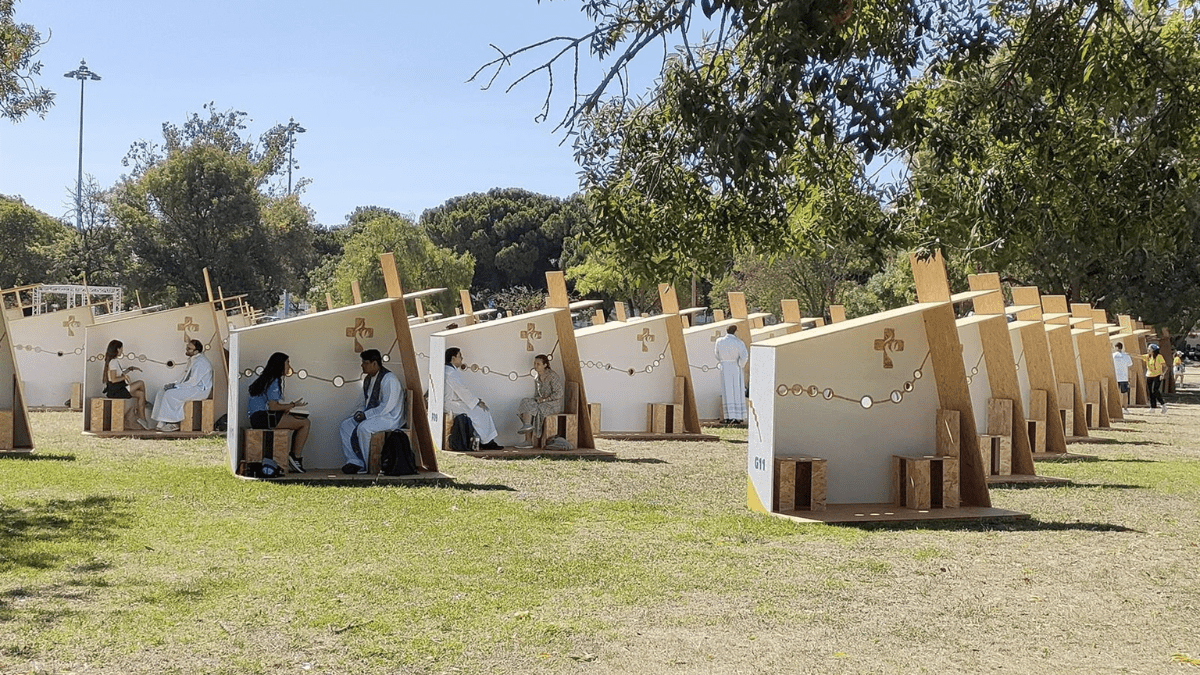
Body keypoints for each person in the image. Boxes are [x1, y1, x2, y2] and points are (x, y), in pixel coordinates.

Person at [339, 349, 406, 474]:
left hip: (390, 418)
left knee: (364, 428)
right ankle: (354, 462)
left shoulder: (389, 380)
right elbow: (363, 402)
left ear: (374, 363)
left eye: (365, 362)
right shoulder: (368, 379)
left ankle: (367, 465)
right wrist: (359, 412)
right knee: (346, 425)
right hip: (374, 416)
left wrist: (366, 415)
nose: (362, 365)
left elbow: (387, 407)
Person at [247, 352, 310, 473]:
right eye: (287, 362)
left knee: (296, 420)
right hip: (265, 417)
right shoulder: (274, 380)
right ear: (280, 364)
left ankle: (294, 456)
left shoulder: (265, 378)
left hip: (257, 418)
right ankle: (296, 457)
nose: (289, 365)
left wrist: (288, 407)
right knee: (305, 423)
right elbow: (273, 406)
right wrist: (292, 405)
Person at [443, 347, 502, 449]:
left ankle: (484, 440)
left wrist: (475, 400)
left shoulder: (449, 370)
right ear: (453, 358)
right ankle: (486, 442)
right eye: (460, 356)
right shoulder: (450, 373)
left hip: (454, 401)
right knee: (480, 411)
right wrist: (477, 402)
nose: (462, 358)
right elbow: (462, 390)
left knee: (479, 410)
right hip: (450, 404)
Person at [150, 339, 214, 431]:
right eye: (187, 347)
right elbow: (184, 377)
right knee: (162, 391)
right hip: (191, 387)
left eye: (189, 348)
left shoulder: (201, 363)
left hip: (199, 390)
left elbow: (193, 382)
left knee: (171, 394)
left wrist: (176, 387)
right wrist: (174, 384)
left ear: (196, 351)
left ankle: (174, 423)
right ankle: (162, 421)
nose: (186, 349)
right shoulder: (193, 360)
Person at [515, 354, 564, 448]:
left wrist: (546, 399)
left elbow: (559, 393)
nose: (535, 366)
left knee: (537, 409)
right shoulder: (536, 377)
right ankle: (527, 427)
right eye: (534, 363)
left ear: (545, 365)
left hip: (553, 404)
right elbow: (537, 394)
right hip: (542, 401)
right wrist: (537, 399)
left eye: (538, 364)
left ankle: (529, 439)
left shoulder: (552, 376)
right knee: (526, 402)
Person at [102, 339, 149, 430]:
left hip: (118, 388)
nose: (122, 351)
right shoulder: (113, 362)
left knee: (141, 394)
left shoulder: (114, 361)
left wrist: (129, 369)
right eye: (121, 349)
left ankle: (142, 418)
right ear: (117, 349)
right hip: (116, 390)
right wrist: (125, 377)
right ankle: (142, 408)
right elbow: (114, 379)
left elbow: (118, 374)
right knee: (141, 383)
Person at [714, 325, 750, 424]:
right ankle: (738, 416)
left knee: (727, 390)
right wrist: (740, 364)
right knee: (737, 390)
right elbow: (745, 356)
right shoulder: (739, 342)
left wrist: (723, 361)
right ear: (735, 331)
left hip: (724, 367)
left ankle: (728, 416)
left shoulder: (719, 341)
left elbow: (716, 354)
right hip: (735, 367)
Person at [1112, 342, 1134, 413]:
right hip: (1124, 377)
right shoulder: (1126, 356)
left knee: (1116, 393)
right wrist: (1130, 378)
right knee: (1125, 393)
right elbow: (1130, 365)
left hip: (1115, 377)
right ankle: (1125, 408)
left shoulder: (1113, 355)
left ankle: (1117, 407)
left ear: (1117, 347)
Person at [1146, 343, 1167, 414]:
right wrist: (1128, 354)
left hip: (1158, 375)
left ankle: (1163, 404)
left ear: (1153, 350)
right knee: (1150, 391)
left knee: (1155, 390)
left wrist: (1162, 374)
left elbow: (1165, 367)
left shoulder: (1159, 357)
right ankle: (1152, 407)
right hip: (1149, 375)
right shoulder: (1148, 356)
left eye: (1149, 349)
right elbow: (1139, 356)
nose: (1148, 350)